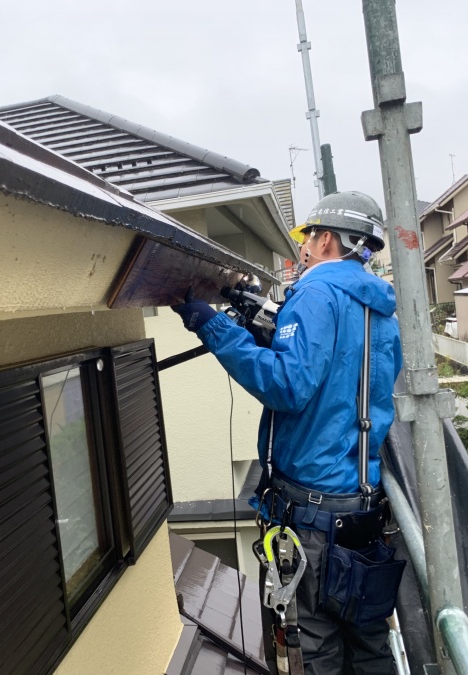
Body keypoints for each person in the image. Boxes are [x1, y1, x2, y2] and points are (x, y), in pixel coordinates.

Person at [173, 191, 404, 675]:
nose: (301, 252)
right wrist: (261, 319)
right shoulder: (378, 308)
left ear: (323, 239)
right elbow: (335, 375)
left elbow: (289, 385)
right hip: (360, 511)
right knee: (369, 650)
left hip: (312, 522)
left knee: (313, 654)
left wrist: (216, 329)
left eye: (306, 240)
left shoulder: (316, 295)